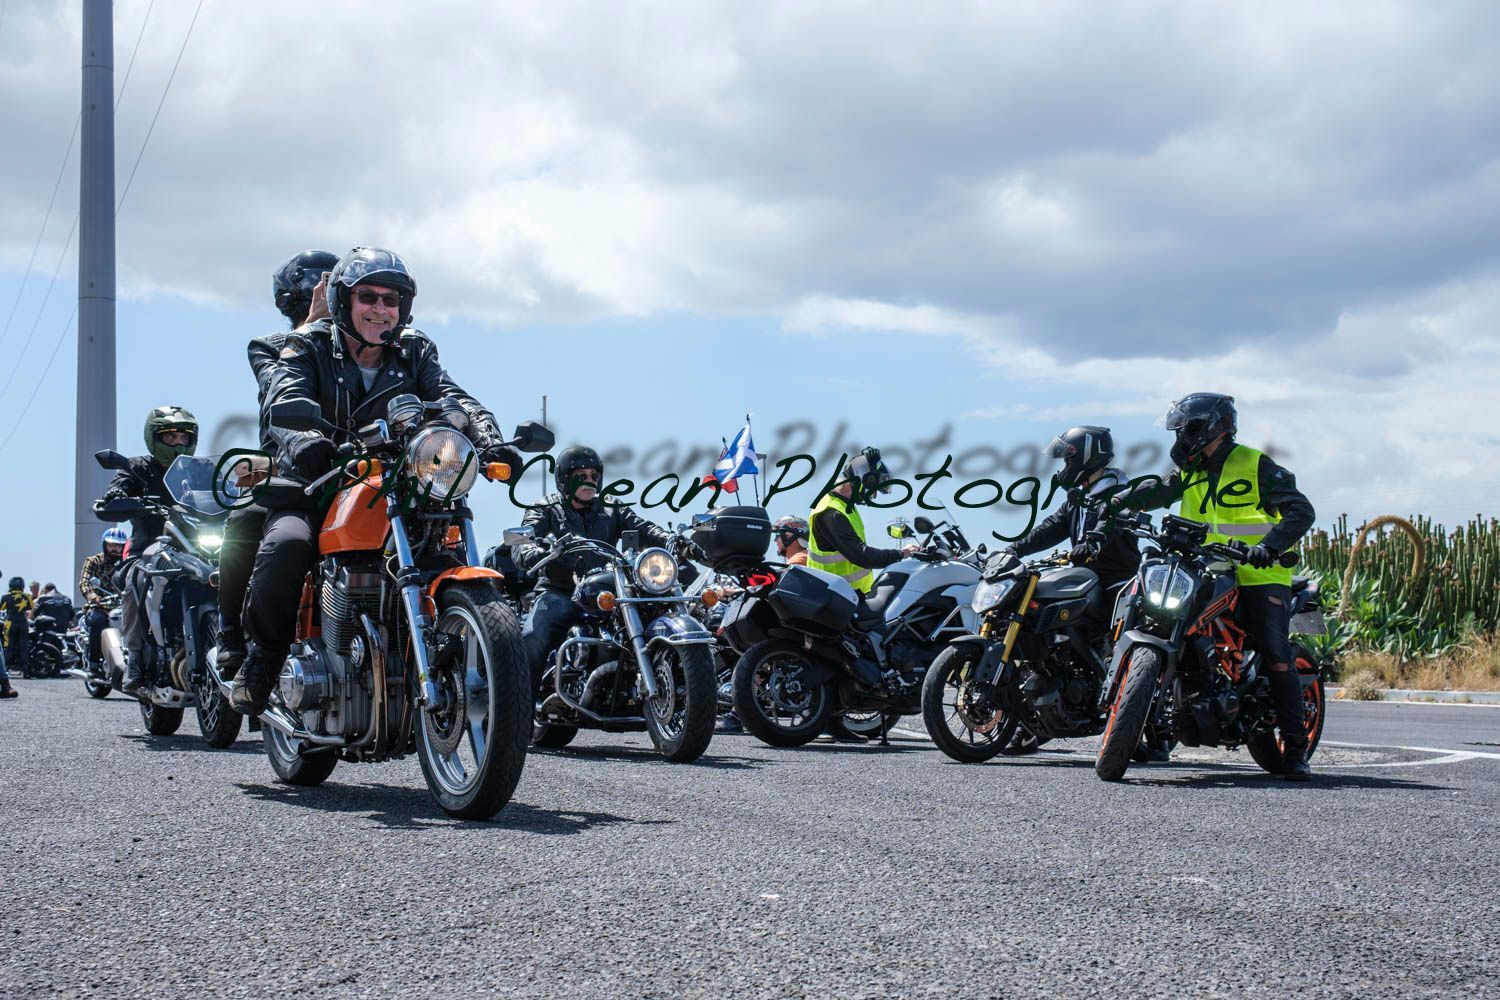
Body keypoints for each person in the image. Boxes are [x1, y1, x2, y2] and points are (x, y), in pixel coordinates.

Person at [231, 247, 519, 714]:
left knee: (441, 537)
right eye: (368, 297)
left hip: (400, 482)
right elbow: (283, 395)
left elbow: (451, 397)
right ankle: (264, 659)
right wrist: (302, 439)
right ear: (344, 300)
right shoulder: (309, 345)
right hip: (319, 481)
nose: (380, 309)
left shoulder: (415, 350)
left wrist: (488, 438)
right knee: (285, 544)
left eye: (391, 299)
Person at [1131, 392, 1317, 780]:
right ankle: (1148, 725)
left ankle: (1297, 749)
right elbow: (1154, 493)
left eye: (1184, 429)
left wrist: (1268, 547)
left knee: (1274, 651)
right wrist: (1115, 503)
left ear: (1209, 428)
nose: (1179, 438)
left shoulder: (1255, 464)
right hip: (1203, 569)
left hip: (1259, 575)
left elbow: (1301, 511)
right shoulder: (1190, 470)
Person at [215, 249, 340, 682]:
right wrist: (313, 323)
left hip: (358, 467)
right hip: (289, 465)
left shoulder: (356, 350)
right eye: (318, 285)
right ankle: (231, 631)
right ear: (294, 298)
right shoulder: (268, 346)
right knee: (246, 518)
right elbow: (277, 386)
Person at [513, 445, 674, 698]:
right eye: (582, 475)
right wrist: (533, 551)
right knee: (533, 636)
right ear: (565, 479)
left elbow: (644, 528)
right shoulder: (545, 508)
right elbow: (524, 540)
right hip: (559, 591)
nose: (590, 481)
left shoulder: (612, 507)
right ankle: (522, 712)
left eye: (594, 475)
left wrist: (671, 540)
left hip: (606, 591)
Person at [94, 406, 199, 695]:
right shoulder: (137, 467)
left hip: (194, 547)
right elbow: (118, 487)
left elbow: (220, 491)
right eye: (170, 437)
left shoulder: (197, 470)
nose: (178, 443)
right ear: (154, 439)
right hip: (146, 550)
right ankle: (136, 659)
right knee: (136, 580)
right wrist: (117, 497)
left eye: (183, 437)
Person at [1007, 426, 1140, 594]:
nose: (1066, 465)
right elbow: (1049, 529)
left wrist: (1090, 544)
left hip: (1116, 584)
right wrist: (1013, 550)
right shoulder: (1078, 499)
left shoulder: (1120, 495)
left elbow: (1111, 524)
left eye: (1068, 459)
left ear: (1087, 457)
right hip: (1085, 582)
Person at [807, 447, 918, 595]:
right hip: (832, 599)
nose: (875, 496)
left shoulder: (845, 507)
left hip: (848, 597)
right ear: (865, 480)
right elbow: (861, 555)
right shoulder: (830, 512)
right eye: (875, 489)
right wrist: (901, 554)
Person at [79, 527, 127, 671]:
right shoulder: (94, 561)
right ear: (105, 545)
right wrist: (91, 595)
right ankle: (93, 663)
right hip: (100, 607)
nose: (114, 549)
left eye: (118, 545)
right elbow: (85, 581)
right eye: (111, 545)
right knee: (98, 621)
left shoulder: (127, 564)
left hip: (123, 607)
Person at [0, 576, 33, 680]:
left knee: (8, 646)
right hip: (23, 622)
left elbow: (1, 608)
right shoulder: (27, 596)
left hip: (10, 622)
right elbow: (31, 607)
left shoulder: (6, 596)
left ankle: (5, 670)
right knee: (23, 646)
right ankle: (26, 671)